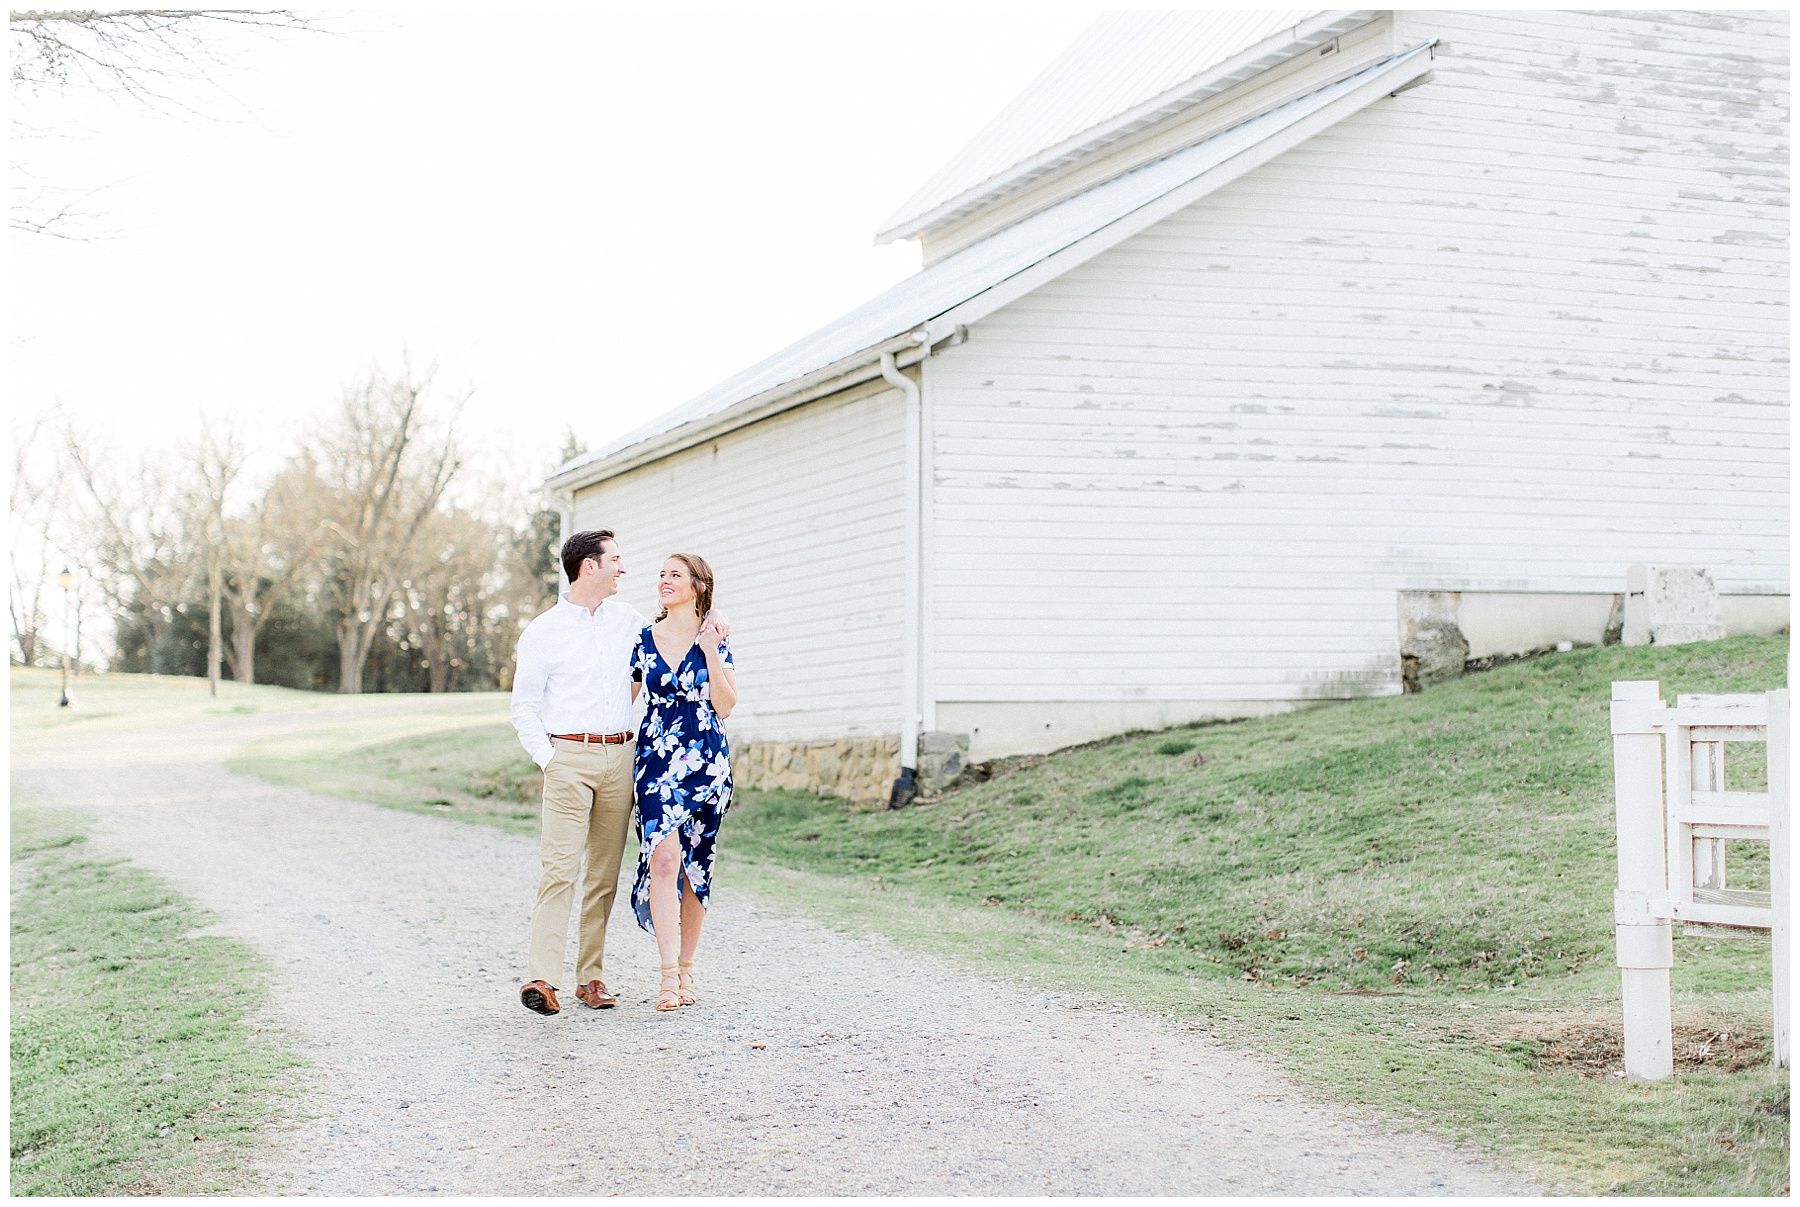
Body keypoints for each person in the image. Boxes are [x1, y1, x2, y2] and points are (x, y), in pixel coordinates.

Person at [508, 529, 649, 1016]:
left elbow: (665, 642)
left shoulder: (628, 621)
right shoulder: (543, 632)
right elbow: (523, 707)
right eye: (616, 559)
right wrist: (551, 759)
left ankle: (591, 978)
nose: (623, 569)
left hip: (620, 759)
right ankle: (541, 979)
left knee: (604, 876)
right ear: (589, 566)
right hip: (567, 759)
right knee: (559, 871)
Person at [629, 553, 737, 1012]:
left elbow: (727, 705)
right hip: (655, 759)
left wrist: (710, 648)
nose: (664, 581)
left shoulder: (714, 637)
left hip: (706, 761)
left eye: (675, 575)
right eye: (662, 575)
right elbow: (619, 699)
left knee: (697, 865)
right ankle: (668, 977)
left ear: (698, 585)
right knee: (665, 858)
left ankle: (688, 968)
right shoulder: (642, 639)